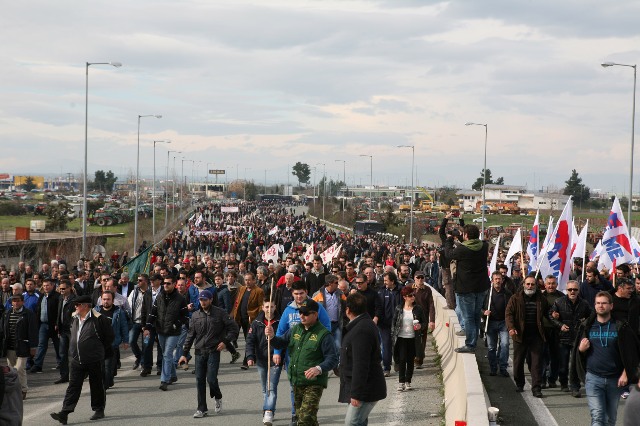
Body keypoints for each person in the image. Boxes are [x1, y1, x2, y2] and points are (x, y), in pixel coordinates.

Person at [266, 299, 338, 426]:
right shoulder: (295, 329)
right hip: (297, 381)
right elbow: (281, 342)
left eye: (305, 313)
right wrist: (272, 337)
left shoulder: (324, 335)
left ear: (315, 315)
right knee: (305, 419)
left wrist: (319, 368)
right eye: (300, 313)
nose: (301, 316)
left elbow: (332, 359)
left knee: (305, 420)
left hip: (313, 383)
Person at [572, 291, 640, 426]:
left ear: (611, 306)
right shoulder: (587, 326)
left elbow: (632, 353)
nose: (600, 306)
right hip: (593, 378)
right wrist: (581, 349)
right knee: (597, 416)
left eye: (604, 303)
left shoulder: (621, 327)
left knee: (610, 419)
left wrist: (626, 373)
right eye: (598, 303)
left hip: (615, 380)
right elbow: (578, 353)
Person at [50, 295, 115, 424]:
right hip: (76, 359)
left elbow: (109, 338)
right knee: (73, 386)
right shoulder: (74, 317)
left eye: (78, 304)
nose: (75, 307)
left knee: (96, 385)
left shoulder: (99, 319)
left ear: (85, 305)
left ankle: (99, 409)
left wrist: (97, 351)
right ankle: (65, 412)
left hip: (94, 359)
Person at [178, 289, 239, 419]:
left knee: (211, 379)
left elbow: (234, 328)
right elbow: (190, 336)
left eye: (205, 299)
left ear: (211, 300)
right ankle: (201, 408)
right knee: (199, 380)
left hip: (213, 350)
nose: (203, 302)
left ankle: (218, 397)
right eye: (201, 299)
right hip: (199, 352)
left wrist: (225, 342)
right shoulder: (195, 315)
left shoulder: (220, 313)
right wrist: (184, 353)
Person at [442, 215, 490, 353]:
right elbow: (472, 240)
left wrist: (450, 239)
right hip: (481, 287)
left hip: (465, 288)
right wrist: (462, 223)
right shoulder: (484, 246)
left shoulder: (463, 250)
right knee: (475, 316)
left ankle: (470, 344)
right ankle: (474, 340)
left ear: (466, 235)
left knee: (468, 317)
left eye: (463, 234)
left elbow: (449, 254)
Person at [339, 292, 387, 426]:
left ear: (348, 310)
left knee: (352, 422)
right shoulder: (363, 325)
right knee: (359, 421)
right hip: (363, 386)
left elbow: (361, 364)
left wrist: (356, 394)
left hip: (366, 388)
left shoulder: (361, 330)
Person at [505, 273, 549, 398]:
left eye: (532, 284)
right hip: (520, 335)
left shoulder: (541, 299)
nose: (530, 286)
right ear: (524, 284)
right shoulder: (515, 298)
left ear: (536, 285)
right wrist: (511, 328)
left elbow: (548, 313)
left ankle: (536, 388)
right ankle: (519, 384)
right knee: (518, 362)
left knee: (536, 363)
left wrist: (555, 315)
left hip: (536, 335)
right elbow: (509, 314)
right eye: (528, 284)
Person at [144, 275, 189, 391]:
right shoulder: (159, 297)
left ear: (174, 284)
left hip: (174, 332)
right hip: (161, 330)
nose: (166, 285)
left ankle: (164, 380)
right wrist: (147, 327)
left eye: (168, 283)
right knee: (165, 353)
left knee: (167, 353)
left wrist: (176, 324)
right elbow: (153, 314)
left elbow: (185, 317)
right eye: (164, 283)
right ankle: (173, 375)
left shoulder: (180, 299)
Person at [550, 279, 591, 397]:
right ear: (566, 290)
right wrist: (560, 325)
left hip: (578, 337)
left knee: (575, 364)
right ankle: (563, 383)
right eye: (570, 289)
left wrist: (584, 322)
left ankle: (575, 387)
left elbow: (591, 316)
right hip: (563, 338)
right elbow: (550, 316)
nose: (572, 291)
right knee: (563, 364)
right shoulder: (559, 302)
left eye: (575, 289)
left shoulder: (584, 303)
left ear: (578, 291)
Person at [246, 299, 282, 426]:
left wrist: (279, 353)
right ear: (262, 307)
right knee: (264, 388)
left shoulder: (280, 321)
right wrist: (250, 356)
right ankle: (267, 407)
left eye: (271, 306)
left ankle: (269, 411)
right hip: (261, 359)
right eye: (267, 306)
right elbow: (250, 340)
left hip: (275, 359)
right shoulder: (256, 322)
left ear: (275, 307)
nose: (269, 309)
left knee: (271, 387)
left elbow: (283, 339)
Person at [1, 294, 37, 400]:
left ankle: (23, 389)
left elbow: (33, 331)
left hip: (23, 346)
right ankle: (14, 390)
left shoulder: (28, 314)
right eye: (14, 301)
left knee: (20, 369)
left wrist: (33, 346)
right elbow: (3, 329)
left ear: (23, 302)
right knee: (11, 370)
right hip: (10, 346)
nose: (16, 303)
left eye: (18, 301)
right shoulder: (7, 313)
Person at [391, 286, 426, 391]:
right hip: (401, 337)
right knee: (402, 360)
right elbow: (393, 323)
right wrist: (393, 336)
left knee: (410, 360)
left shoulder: (418, 309)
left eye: (413, 295)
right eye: (410, 296)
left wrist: (420, 326)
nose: (413, 297)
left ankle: (408, 381)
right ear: (405, 297)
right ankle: (401, 382)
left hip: (413, 338)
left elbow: (424, 322)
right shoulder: (399, 308)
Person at [231, 272, 265, 369]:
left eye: (249, 280)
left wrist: (255, 316)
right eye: (246, 280)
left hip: (251, 319)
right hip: (240, 318)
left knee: (248, 340)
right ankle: (253, 356)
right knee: (240, 337)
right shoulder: (242, 289)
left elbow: (261, 306)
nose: (247, 282)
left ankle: (246, 361)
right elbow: (238, 302)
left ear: (254, 280)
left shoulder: (259, 291)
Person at [95, 291, 129, 390]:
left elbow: (124, 327)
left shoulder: (118, 312)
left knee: (108, 366)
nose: (106, 301)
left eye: (108, 299)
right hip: (99, 344)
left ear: (112, 300)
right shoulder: (96, 311)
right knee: (100, 366)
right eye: (104, 299)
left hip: (112, 344)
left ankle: (104, 386)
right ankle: (107, 381)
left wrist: (126, 341)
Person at [482, 271, 512, 377]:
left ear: (502, 280)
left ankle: (503, 367)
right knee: (491, 347)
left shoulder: (507, 293)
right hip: (490, 323)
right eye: (496, 279)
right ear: (492, 280)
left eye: (499, 279)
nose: (498, 281)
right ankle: (493, 368)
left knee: (505, 344)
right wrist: (484, 312)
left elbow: (511, 308)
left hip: (503, 323)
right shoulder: (487, 293)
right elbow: (479, 307)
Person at [374, 271, 402, 376]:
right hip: (384, 324)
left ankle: (398, 362)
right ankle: (386, 368)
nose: (384, 282)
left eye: (386, 280)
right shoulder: (381, 292)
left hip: (398, 323)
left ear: (392, 281)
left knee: (397, 345)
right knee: (386, 345)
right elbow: (378, 307)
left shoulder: (400, 291)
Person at [31, 278, 61, 373]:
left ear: (52, 286)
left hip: (54, 326)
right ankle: (38, 365)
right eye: (44, 286)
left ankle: (61, 363)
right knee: (41, 345)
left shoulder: (57, 297)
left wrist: (57, 323)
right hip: (43, 325)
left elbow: (59, 312)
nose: (45, 287)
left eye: (48, 285)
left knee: (58, 346)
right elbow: (38, 310)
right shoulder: (42, 296)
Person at [54, 280, 77, 384]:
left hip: (72, 330)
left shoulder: (74, 300)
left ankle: (76, 374)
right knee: (62, 353)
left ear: (69, 288)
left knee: (74, 353)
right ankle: (64, 375)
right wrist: (57, 324)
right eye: (60, 288)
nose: (62, 290)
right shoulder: (60, 298)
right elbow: (59, 312)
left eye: (64, 288)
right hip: (62, 329)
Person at [412, 272, 435, 369]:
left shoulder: (427, 290)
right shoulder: (410, 288)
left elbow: (431, 305)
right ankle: (413, 357)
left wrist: (432, 320)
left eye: (422, 277)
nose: (420, 279)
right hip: (411, 318)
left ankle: (419, 360)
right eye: (418, 278)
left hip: (423, 319)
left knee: (422, 340)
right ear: (414, 278)